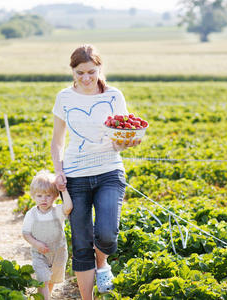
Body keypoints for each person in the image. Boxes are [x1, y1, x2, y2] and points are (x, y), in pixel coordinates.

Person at [51, 44, 140, 299]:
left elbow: (119, 138)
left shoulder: (114, 96)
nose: (86, 78)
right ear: (72, 72)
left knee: (107, 234)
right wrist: (59, 173)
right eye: (80, 73)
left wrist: (126, 142)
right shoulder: (64, 98)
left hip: (109, 172)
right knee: (80, 244)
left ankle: (102, 262)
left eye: (91, 72)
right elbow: (57, 141)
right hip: (75, 176)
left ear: (99, 69)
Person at [22, 170, 73, 300]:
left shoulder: (57, 211)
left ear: (56, 196)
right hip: (40, 252)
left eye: (48, 195)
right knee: (42, 278)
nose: (43, 199)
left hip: (58, 252)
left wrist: (64, 189)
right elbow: (26, 233)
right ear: (33, 196)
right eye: (39, 196)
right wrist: (36, 244)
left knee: (51, 280)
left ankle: (46, 296)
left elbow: (68, 207)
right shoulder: (32, 214)